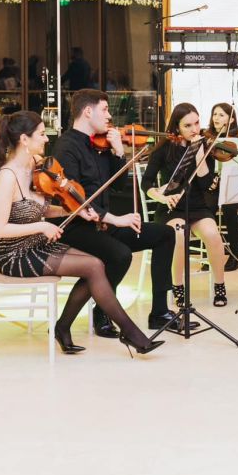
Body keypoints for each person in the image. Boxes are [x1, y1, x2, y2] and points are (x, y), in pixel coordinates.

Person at [0, 111, 162, 356]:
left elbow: (42, 209)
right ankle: (130, 333)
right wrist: (42, 227)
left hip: (37, 244)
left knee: (97, 263)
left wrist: (72, 210)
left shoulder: (33, 165)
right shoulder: (7, 177)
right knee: (92, 267)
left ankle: (63, 327)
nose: (46, 139)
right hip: (15, 254)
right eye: (41, 134)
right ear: (24, 139)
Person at [51, 89, 187, 335]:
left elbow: (118, 186)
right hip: (76, 226)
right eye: (104, 110)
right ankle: (102, 311)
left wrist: (119, 153)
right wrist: (115, 219)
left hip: (104, 224)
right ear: (88, 111)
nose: (109, 116)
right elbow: (75, 201)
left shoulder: (101, 144)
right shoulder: (66, 147)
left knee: (165, 234)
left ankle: (159, 313)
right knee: (120, 255)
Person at [143, 103, 231, 308]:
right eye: (188, 125)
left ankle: (220, 285)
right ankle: (178, 287)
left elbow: (206, 184)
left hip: (197, 206)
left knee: (213, 235)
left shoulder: (205, 147)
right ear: (177, 127)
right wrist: (161, 197)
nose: (194, 129)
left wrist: (199, 153)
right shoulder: (164, 148)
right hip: (171, 208)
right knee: (179, 235)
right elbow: (146, 183)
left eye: (197, 123)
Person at [206, 102, 238, 271]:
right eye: (214, 114)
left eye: (221, 115)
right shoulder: (207, 137)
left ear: (231, 120)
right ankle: (210, 254)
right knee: (206, 208)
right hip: (215, 185)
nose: (216, 118)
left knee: (229, 207)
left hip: (237, 186)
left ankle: (234, 255)